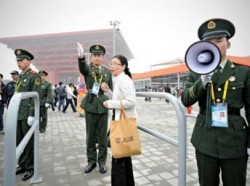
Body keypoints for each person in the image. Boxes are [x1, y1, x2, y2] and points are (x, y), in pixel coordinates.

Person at [181, 18, 250, 186]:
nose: (215, 45)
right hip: (205, 138)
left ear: (228, 44)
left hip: (234, 139)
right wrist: (202, 81)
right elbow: (186, 99)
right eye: (209, 42)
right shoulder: (196, 71)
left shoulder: (243, 72)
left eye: (219, 40)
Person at [101, 55, 137, 186]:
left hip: (122, 123)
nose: (112, 66)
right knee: (125, 158)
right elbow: (120, 98)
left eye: (116, 63)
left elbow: (131, 102)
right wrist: (108, 92)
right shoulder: (119, 80)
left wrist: (110, 103)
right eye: (111, 63)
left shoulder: (124, 80)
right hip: (120, 121)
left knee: (118, 159)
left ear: (124, 66)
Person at [77, 43, 113, 174]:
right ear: (91, 57)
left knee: (103, 137)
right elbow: (82, 67)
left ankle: (102, 162)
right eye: (94, 55)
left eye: (99, 55)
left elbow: (111, 91)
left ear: (103, 57)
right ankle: (91, 161)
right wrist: (81, 57)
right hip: (91, 105)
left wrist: (108, 90)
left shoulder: (107, 72)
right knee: (90, 135)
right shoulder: (88, 69)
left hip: (103, 105)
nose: (97, 58)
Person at [14, 49, 42, 181]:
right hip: (18, 112)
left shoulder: (33, 76)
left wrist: (32, 113)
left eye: (21, 60)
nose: (19, 63)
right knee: (19, 139)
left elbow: (36, 96)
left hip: (27, 113)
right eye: (18, 61)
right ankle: (22, 164)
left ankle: (30, 167)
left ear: (29, 61)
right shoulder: (21, 75)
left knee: (28, 141)